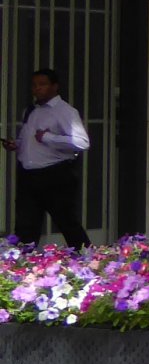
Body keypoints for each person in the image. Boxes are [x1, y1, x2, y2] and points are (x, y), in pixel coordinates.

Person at [5, 67, 90, 248]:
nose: (37, 89)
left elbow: (82, 142)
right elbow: (29, 140)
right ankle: (23, 267)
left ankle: (89, 261)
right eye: (34, 85)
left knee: (67, 223)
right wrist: (16, 144)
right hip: (28, 176)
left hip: (55, 175)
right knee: (26, 226)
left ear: (54, 87)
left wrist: (49, 138)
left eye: (42, 85)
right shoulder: (30, 110)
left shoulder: (65, 111)